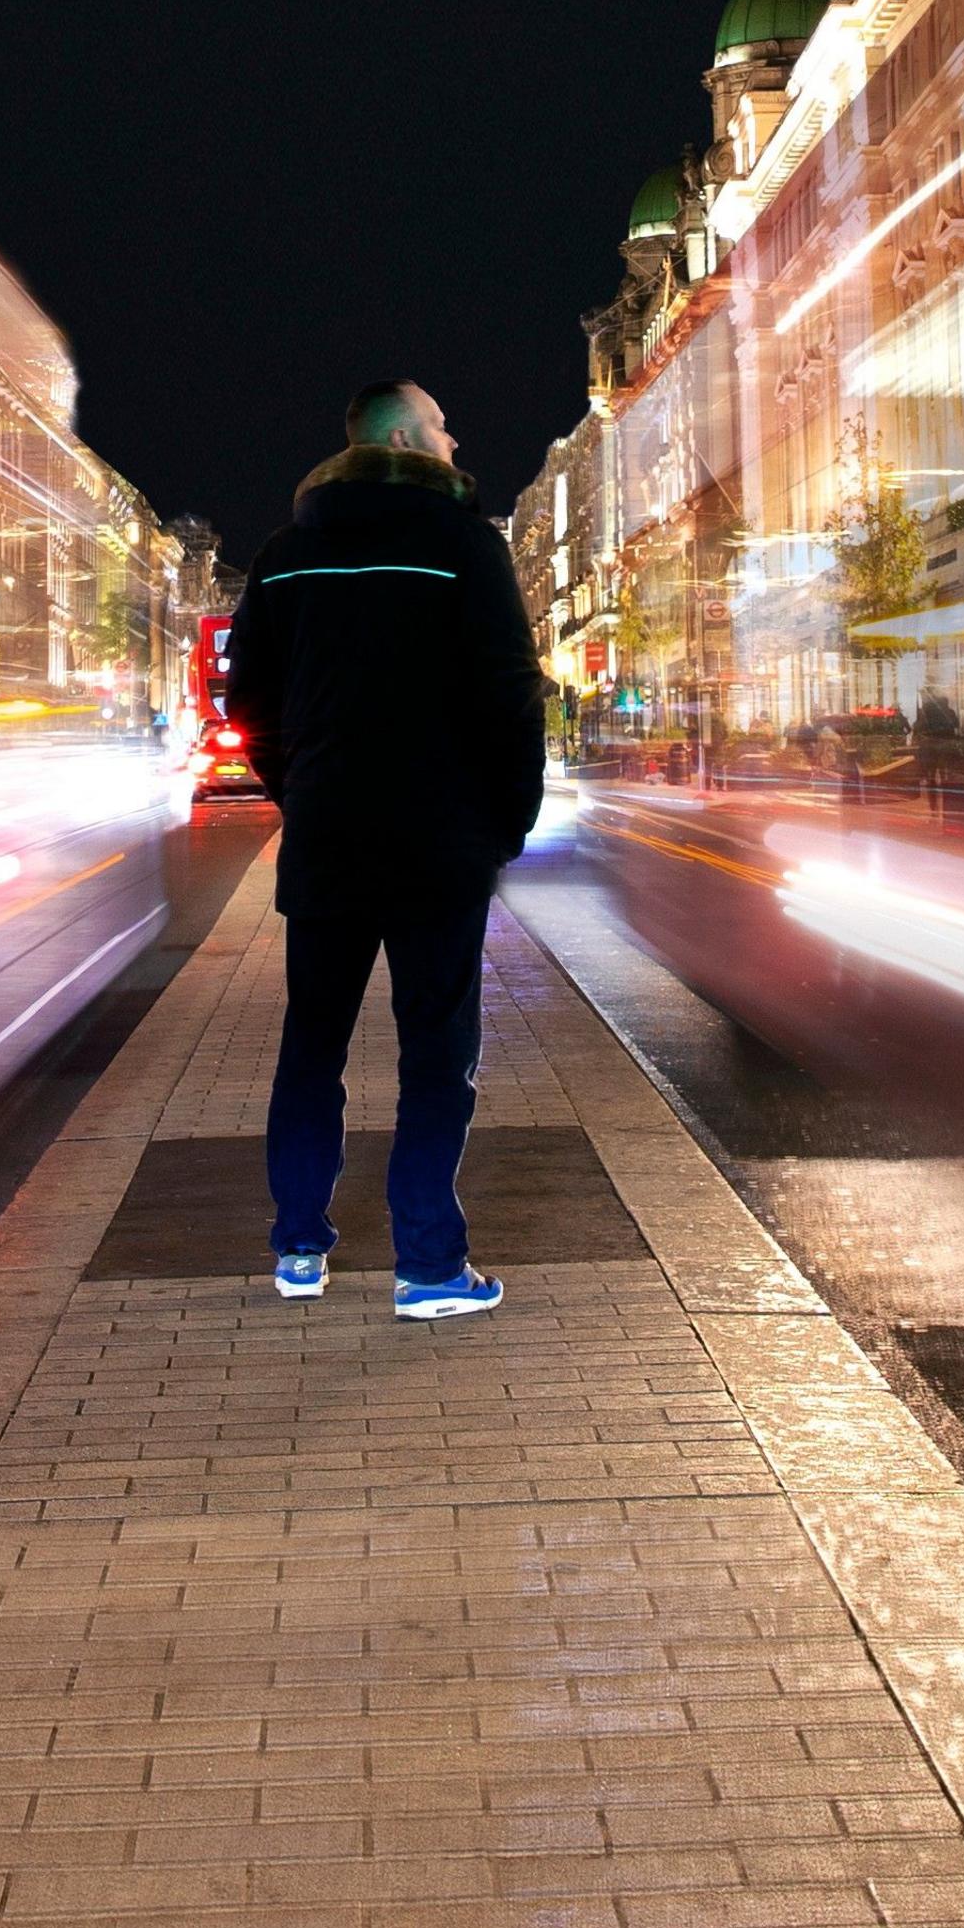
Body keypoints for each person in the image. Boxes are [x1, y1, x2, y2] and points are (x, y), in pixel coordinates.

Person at [223, 378, 546, 1321]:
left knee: (311, 1046)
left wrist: (305, 791)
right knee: (436, 1056)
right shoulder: (462, 547)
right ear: (407, 440)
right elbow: (511, 694)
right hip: (440, 847)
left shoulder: (285, 555)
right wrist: (506, 822)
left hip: (328, 843)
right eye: (444, 426)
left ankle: (297, 1248)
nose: (456, 439)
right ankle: (430, 1267)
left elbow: (249, 704)